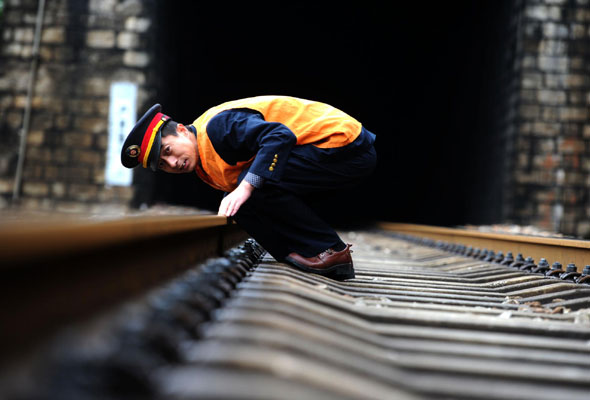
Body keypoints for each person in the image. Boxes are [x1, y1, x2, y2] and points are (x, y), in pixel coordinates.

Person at [121, 95, 376, 280]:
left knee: (252, 183)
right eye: (164, 164)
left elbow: (280, 136)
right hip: (330, 154)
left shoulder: (218, 127)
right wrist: (242, 189)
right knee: (239, 196)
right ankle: (296, 254)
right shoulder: (201, 156)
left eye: (168, 151)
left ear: (180, 130)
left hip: (344, 147)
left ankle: (331, 250)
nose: (173, 163)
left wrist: (246, 186)